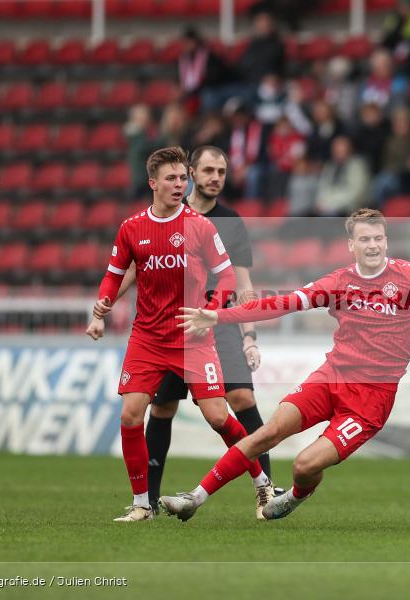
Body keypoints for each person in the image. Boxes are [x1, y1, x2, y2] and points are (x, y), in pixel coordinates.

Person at [158, 208, 410, 522]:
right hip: (330, 378)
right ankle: (195, 497)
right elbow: (281, 304)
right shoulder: (338, 281)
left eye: (378, 238)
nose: (373, 245)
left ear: (386, 240)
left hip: (371, 400)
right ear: (351, 244)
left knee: (304, 465)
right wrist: (219, 317)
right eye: (364, 239)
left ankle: (295, 496)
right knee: (268, 432)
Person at [87, 145, 278, 511]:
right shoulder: (132, 228)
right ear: (153, 183)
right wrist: (101, 312)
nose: (179, 185)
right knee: (132, 414)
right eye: (171, 179)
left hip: (195, 338)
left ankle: (262, 482)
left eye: (181, 178)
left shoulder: (203, 226)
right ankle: (142, 504)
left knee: (220, 417)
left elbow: (227, 277)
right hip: (147, 337)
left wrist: (210, 312)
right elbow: (115, 276)